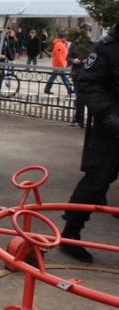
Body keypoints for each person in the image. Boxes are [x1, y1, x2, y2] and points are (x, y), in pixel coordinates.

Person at [59, 22, 119, 263]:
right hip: (112, 130)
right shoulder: (108, 47)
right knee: (96, 181)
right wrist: (109, 118)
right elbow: (89, 83)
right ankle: (71, 235)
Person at [68, 23, 96, 128]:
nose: (84, 33)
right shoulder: (75, 44)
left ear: (90, 31)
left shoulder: (95, 44)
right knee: (79, 97)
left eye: (86, 30)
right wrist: (73, 60)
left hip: (90, 75)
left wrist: (89, 61)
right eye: (82, 31)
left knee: (90, 98)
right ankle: (78, 119)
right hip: (77, 73)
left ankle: (90, 120)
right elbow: (69, 57)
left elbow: (98, 58)